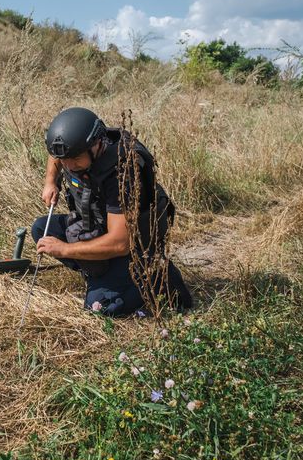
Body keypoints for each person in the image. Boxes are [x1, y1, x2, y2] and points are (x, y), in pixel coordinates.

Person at [32, 107, 194, 317]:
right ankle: (102, 276)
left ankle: (159, 280)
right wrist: (50, 182)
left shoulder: (122, 174)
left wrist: (64, 249)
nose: (70, 165)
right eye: (65, 159)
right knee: (42, 229)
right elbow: (58, 154)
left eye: (76, 159)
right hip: (98, 226)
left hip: (133, 248)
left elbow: (119, 243)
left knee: (102, 306)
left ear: (96, 145)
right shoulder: (77, 148)